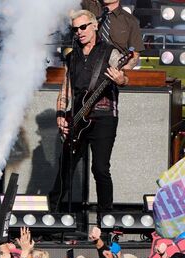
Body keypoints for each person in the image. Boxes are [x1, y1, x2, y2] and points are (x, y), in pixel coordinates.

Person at [48, 10, 129, 212]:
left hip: (104, 117)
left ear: (95, 26)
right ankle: (51, 215)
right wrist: (60, 114)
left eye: (83, 27)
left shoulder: (110, 52)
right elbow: (65, 88)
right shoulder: (72, 57)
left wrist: (121, 80)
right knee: (65, 167)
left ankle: (105, 217)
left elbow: (124, 77)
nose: (79, 32)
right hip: (77, 117)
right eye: (75, 29)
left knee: (100, 169)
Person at [81, 0, 143, 68]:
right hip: (90, 66)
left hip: (116, 67)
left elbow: (135, 53)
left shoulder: (130, 21)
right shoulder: (90, 12)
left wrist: (124, 70)